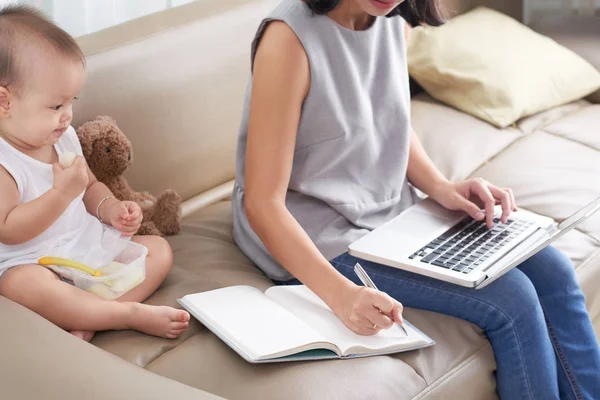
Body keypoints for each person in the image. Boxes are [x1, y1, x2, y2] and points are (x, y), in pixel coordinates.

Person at [231, 0, 600, 398]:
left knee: (554, 270)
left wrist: (442, 187)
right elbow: (263, 203)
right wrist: (341, 296)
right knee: (514, 300)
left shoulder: (393, 17)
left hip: (390, 210)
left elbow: (387, 119)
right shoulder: (288, 40)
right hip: (317, 233)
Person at [0, 5, 190, 342]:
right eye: (56, 106)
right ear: (4, 102)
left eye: (72, 101)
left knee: (159, 252)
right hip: (35, 262)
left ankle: (89, 314)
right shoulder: (5, 161)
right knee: (17, 285)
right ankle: (123, 314)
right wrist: (60, 194)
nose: (68, 115)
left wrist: (111, 209)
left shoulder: (63, 137)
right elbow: (9, 231)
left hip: (87, 245)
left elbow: (90, 186)